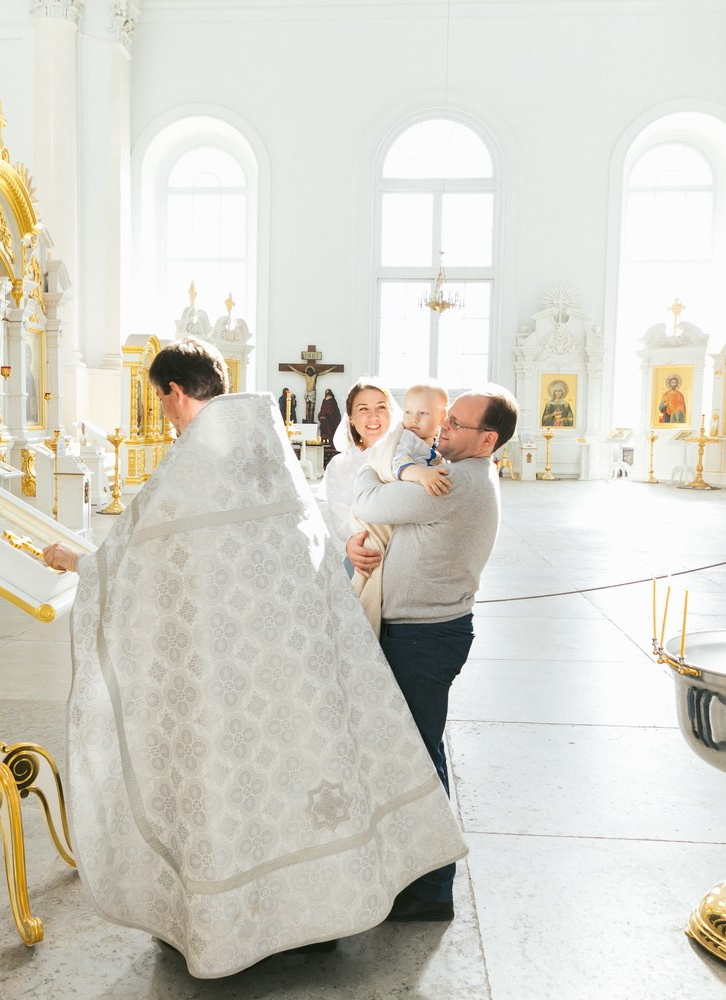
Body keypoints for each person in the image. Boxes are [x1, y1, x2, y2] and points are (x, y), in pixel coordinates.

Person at [39, 339, 466, 978]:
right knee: (302, 774)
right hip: (297, 664)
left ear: (173, 393)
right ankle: (321, 915)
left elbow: (133, 560)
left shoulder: (191, 467)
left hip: (226, 673)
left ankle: (246, 923)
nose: (169, 417)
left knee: (240, 786)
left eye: (165, 404)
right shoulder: (270, 449)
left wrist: (80, 563)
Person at [347, 384, 520, 922]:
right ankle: (413, 875)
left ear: (487, 438)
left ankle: (430, 890)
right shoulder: (462, 469)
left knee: (419, 759)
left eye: (455, 425)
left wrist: (365, 463)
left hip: (422, 637)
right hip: (429, 630)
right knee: (416, 752)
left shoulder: (454, 483)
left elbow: (367, 501)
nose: (439, 431)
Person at [350, 381, 452, 633]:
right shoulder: (404, 439)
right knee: (366, 594)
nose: (414, 419)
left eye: (423, 413)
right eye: (409, 412)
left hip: (399, 526)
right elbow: (397, 463)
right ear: (351, 418)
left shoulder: (426, 441)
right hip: (368, 534)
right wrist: (421, 475)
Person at [319, 378, 395, 551]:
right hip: (365, 549)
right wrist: (353, 545)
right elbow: (343, 521)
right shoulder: (339, 466)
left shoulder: (410, 456)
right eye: (363, 409)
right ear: (351, 418)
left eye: (381, 407)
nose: (373, 416)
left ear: (391, 412)